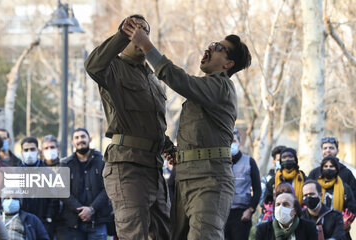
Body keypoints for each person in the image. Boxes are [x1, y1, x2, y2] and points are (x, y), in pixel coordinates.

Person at [125, 18, 252, 239]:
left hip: (209, 181)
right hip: (187, 177)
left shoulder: (221, 87)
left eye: (219, 47)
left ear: (228, 64)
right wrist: (179, 154)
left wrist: (147, 46)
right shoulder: (204, 92)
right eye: (212, 43)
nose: (210, 47)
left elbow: (178, 79)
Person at [84, 15, 173, 239]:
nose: (139, 34)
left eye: (144, 30)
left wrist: (169, 147)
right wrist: (122, 35)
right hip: (127, 167)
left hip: (154, 167)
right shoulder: (113, 67)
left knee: (163, 233)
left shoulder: (153, 79)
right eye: (134, 30)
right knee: (134, 234)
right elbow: (92, 65)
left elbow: (154, 125)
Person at [57, 128, 112, 240]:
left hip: (98, 222)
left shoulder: (102, 162)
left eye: (83, 137)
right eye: (76, 138)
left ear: (89, 139)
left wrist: (91, 209)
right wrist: (80, 209)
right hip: (73, 224)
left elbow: (107, 188)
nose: (80, 140)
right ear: (72, 142)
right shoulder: (66, 164)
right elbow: (61, 191)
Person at [18, 136, 59, 239]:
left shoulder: (48, 172)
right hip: (22, 222)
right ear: (21, 152)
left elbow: (54, 199)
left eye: (32, 149)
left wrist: (48, 218)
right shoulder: (15, 172)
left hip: (43, 222)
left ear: (38, 150)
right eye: (26, 150)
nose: (29, 152)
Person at [224, 129, 261, 240]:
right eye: (228, 141)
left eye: (234, 141)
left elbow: (257, 190)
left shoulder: (249, 162)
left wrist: (250, 210)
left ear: (239, 143)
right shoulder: (220, 163)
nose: (231, 144)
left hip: (242, 214)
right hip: (223, 213)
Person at [317, 156, 356, 239]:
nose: (328, 169)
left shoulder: (345, 188)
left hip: (340, 231)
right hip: (318, 230)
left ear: (336, 169)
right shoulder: (315, 186)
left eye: (331, 166)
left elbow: (351, 209)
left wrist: (340, 225)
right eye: (326, 166)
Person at [258, 145, 286, 224]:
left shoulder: (290, 178)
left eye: (283, 159)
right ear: (273, 161)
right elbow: (262, 201)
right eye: (278, 160)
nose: (281, 162)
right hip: (269, 219)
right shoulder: (266, 180)